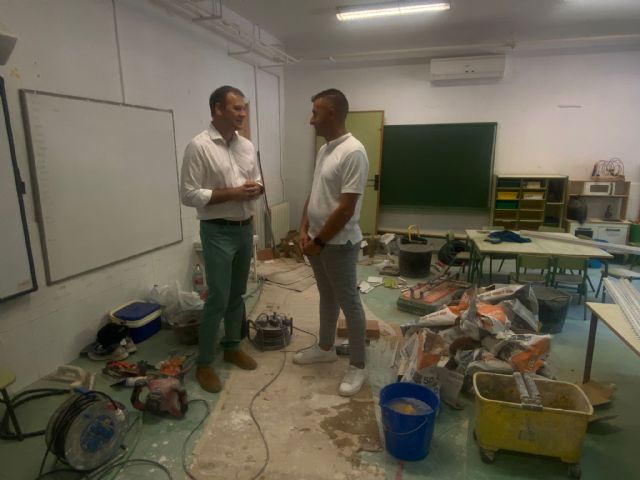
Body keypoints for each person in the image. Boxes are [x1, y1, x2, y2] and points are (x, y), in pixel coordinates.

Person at [180, 85, 263, 393]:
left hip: (244, 228)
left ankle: (231, 347)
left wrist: (257, 188)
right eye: (236, 108)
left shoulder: (246, 146)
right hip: (217, 231)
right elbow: (189, 194)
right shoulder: (199, 146)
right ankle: (204, 363)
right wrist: (234, 193)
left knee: (237, 294)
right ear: (217, 109)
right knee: (218, 297)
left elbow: (255, 180)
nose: (243, 114)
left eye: (244, 108)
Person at [294, 88, 369, 397]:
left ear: (332, 114)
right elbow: (315, 194)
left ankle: (358, 365)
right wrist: (303, 228)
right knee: (327, 296)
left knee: (349, 301)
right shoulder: (325, 150)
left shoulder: (353, 152)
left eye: (315, 113)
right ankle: (325, 348)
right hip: (317, 240)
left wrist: (320, 241)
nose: (311, 120)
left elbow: (346, 208)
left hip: (337, 243)